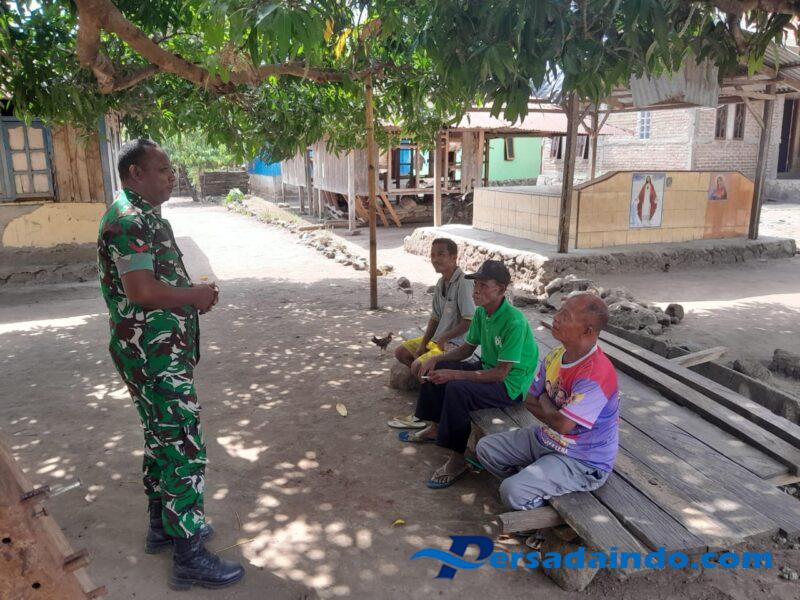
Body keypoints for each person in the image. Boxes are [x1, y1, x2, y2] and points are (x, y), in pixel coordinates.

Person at [97, 139, 244, 590]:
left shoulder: (146, 215)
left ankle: (163, 526)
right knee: (182, 443)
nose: (171, 176)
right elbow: (141, 291)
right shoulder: (128, 220)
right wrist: (194, 296)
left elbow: (152, 282)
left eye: (171, 169)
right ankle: (189, 555)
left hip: (158, 351)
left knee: (161, 438)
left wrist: (188, 298)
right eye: (162, 169)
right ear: (135, 173)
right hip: (152, 356)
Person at [399, 260, 539, 489]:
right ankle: (435, 428)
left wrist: (454, 374)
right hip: (488, 369)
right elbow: (466, 349)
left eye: (483, 285)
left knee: (457, 389)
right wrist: (436, 359)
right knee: (434, 371)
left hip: (511, 385)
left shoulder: (514, 321)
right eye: (476, 285)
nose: (476, 291)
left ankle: (457, 460)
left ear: (501, 289)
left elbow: (501, 374)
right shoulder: (482, 313)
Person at [476, 293, 618, 511]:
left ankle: (534, 495)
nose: (556, 317)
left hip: (582, 459)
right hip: (548, 437)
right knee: (486, 448)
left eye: (566, 316)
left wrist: (544, 399)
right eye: (559, 311)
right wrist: (552, 413)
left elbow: (562, 424)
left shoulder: (596, 374)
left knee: (511, 491)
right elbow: (529, 400)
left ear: (587, 331)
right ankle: (532, 482)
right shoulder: (557, 354)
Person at [391, 238, 475, 429]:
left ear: (454, 257)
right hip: (439, 340)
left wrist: (444, 337)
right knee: (401, 352)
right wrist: (424, 343)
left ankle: (428, 414)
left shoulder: (464, 282)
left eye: (441, 254)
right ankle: (429, 391)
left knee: (418, 365)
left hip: (456, 344)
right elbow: (435, 317)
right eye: (433, 255)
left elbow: (469, 321)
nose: (435, 259)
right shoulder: (440, 282)